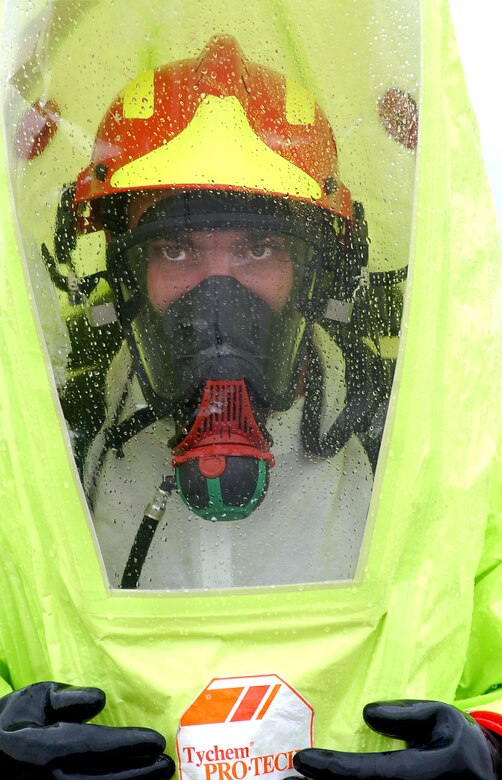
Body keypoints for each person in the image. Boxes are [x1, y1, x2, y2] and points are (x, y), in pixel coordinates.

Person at [1, 11, 501, 780]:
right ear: (124, 273)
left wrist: (490, 745)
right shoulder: (50, 440)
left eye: (258, 247)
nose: (218, 296)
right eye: (176, 248)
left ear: (316, 270)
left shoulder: (420, 433)